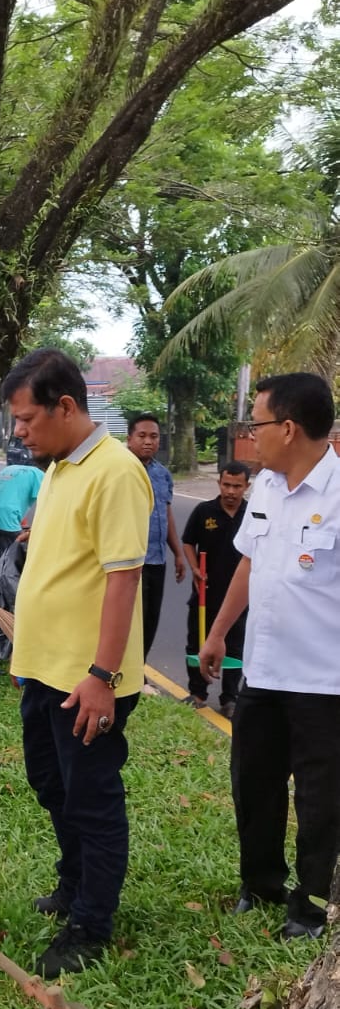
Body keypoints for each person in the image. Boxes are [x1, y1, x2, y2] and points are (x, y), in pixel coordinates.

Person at [5, 349, 153, 976]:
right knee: (51, 782)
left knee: (91, 797)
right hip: (43, 669)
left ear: (66, 406)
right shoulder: (62, 466)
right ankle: (73, 882)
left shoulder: (115, 471)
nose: (19, 432)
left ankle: (91, 923)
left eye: (26, 418)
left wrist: (101, 677)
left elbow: (123, 580)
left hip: (88, 680)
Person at [199, 373, 340, 941]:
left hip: (324, 684)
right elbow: (248, 567)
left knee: (320, 802)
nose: (249, 436)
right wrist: (217, 634)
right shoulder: (266, 489)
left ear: (288, 427)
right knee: (253, 786)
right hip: (261, 671)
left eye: (255, 424)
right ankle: (259, 886)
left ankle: (308, 910)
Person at [181, 462, 249, 717]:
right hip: (205, 594)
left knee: (235, 648)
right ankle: (197, 692)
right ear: (219, 483)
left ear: (246, 486)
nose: (230, 491)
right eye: (226, 485)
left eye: (237, 486)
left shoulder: (252, 513)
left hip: (239, 599)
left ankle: (230, 698)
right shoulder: (204, 511)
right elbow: (188, 542)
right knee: (197, 644)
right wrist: (195, 567)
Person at [125, 414, 186, 663]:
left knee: (151, 620)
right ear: (129, 439)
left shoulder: (162, 475)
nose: (148, 441)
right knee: (131, 622)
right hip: (130, 562)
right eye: (142, 436)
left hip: (157, 560)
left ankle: (139, 670)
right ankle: (126, 671)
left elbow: (166, 513)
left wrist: (178, 553)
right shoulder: (121, 470)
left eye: (154, 436)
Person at [0, 462, 44, 604]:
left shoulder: (12, 469)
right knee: (9, 566)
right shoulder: (39, 475)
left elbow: (10, 495)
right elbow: (47, 503)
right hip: (5, 516)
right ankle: (9, 605)